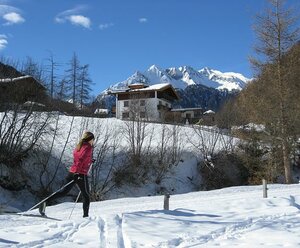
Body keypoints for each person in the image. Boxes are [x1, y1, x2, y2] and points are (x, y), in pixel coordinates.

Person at [39, 131, 95, 218]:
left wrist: (90, 161)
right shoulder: (88, 147)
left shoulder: (79, 146)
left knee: (64, 192)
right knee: (86, 195)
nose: (93, 141)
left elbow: (79, 159)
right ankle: (86, 217)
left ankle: (45, 202)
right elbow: (81, 159)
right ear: (90, 139)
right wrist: (77, 172)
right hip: (80, 174)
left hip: (72, 172)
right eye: (93, 139)